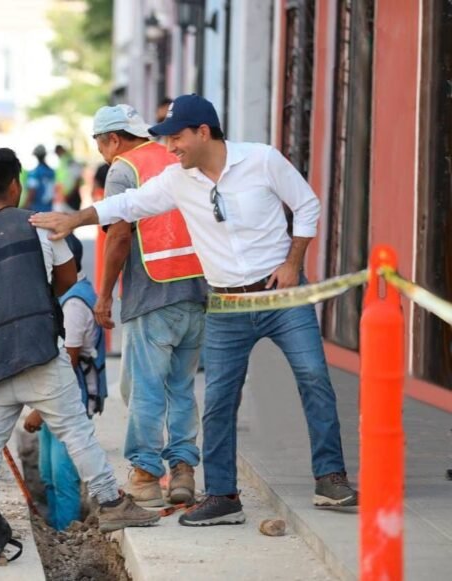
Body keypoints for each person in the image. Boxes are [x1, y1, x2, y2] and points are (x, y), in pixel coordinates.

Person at [30, 94, 358, 527]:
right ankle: (223, 496)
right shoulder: (177, 179)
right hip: (223, 302)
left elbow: (307, 205)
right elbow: (127, 205)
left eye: (177, 138)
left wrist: (294, 262)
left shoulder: (262, 160)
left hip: (282, 297)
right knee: (219, 398)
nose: (170, 148)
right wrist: (75, 219)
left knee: (314, 378)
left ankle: (331, 479)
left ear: (204, 132)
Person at [0, 147, 159, 533]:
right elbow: (68, 283)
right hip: (37, 351)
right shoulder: (38, 225)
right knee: (75, 429)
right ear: (14, 185)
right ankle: (109, 502)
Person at [91, 104, 207, 507]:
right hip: (197, 291)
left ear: (113, 139)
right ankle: (183, 473)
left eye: (100, 145)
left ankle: (143, 475)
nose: (103, 154)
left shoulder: (124, 168)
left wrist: (104, 295)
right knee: (181, 387)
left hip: (153, 293)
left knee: (144, 388)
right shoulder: (178, 157)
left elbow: (119, 236)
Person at [23, 234, 107, 530]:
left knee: (63, 475)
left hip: (69, 397)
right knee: (47, 472)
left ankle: (66, 533)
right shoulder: (67, 294)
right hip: (55, 396)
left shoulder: (73, 304)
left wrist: (37, 410)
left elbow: (68, 362)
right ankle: (54, 528)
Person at [25, 144, 56, 212]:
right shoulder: (52, 172)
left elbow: (32, 191)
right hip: (49, 209)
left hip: (36, 210)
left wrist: (25, 206)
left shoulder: (34, 173)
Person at [54, 144, 83, 211]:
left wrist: (68, 195)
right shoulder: (62, 162)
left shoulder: (70, 161)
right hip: (65, 197)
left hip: (71, 197)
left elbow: (77, 180)